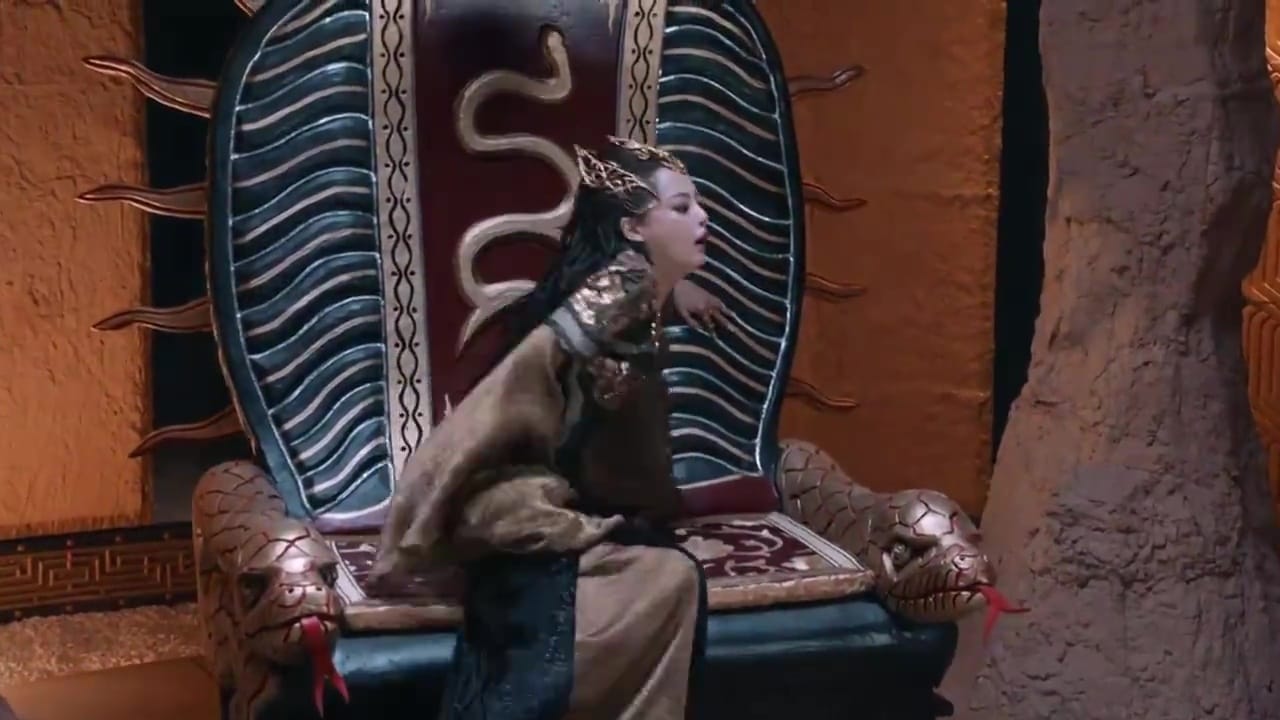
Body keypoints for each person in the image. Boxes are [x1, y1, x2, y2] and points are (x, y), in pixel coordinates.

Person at [370, 135, 715, 719]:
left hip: (571, 501)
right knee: (670, 578)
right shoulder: (618, 291)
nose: (703, 217)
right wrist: (424, 505)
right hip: (527, 512)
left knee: (672, 574)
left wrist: (671, 283)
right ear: (633, 229)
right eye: (682, 207)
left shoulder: (637, 288)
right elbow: (515, 391)